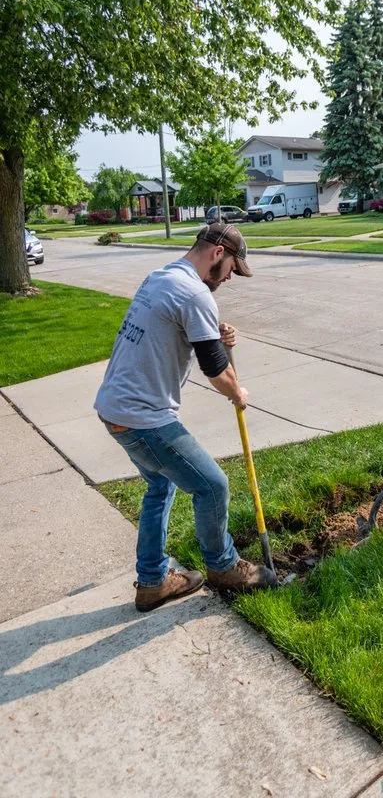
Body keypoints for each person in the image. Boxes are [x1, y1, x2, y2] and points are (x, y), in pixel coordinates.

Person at [95, 222, 278, 611]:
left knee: (160, 486)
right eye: (231, 268)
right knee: (212, 486)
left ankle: (152, 583)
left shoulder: (161, 278)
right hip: (143, 417)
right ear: (217, 253)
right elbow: (216, 371)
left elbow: (180, 332)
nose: (229, 277)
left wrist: (215, 334)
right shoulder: (196, 293)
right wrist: (238, 392)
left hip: (113, 408)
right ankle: (223, 566)